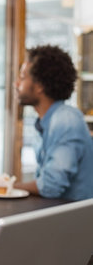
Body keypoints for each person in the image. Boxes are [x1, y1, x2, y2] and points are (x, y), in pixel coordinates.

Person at [14, 45, 93, 201]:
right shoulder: (46, 122)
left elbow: (50, 186)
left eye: (22, 77)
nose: (16, 84)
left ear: (40, 87)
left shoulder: (65, 120)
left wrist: (8, 187)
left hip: (78, 222)